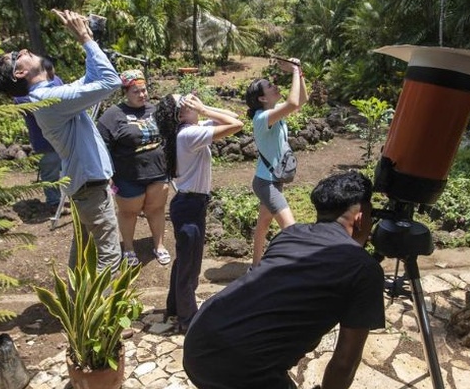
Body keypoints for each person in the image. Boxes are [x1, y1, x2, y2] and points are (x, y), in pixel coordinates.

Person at [183, 171, 385, 389]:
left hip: (199, 339)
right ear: (361, 219)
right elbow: (345, 363)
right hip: (240, 365)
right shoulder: (363, 268)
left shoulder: (290, 234)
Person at [0, 9, 122, 272]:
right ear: (19, 73)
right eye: (18, 55)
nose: (25, 50)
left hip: (85, 186)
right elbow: (111, 81)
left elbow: (92, 81)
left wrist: (87, 39)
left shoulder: (48, 95)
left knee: (84, 253)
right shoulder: (49, 100)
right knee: (109, 257)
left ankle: (74, 307)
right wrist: (84, 39)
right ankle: (99, 312)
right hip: (91, 188)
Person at [154, 93, 243, 333]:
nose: (192, 99)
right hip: (189, 205)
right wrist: (203, 110)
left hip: (189, 203)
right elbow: (237, 126)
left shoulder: (188, 129)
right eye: (186, 101)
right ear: (181, 114)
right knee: (189, 267)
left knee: (185, 261)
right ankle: (188, 319)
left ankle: (174, 307)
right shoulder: (189, 135)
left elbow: (234, 116)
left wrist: (203, 109)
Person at [97, 69, 170, 267]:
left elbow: (167, 137)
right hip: (127, 175)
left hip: (158, 172)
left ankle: (159, 245)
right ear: (125, 93)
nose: (142, 95)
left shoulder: (154, 110)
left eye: (144, 90)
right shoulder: (112, 116)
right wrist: (108, 176)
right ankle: (128, 248)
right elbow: (101, 147)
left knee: (156, 210)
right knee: (129, 213)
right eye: (136, 92)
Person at [245, 56, 308, 266]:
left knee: (263, 224)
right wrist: (293, 70)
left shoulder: (273, 113)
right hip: (267, 183)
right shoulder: (263, 118)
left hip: (272, 179)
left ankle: (255, 267)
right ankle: (303, 271)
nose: (275, 87)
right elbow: (292, 102)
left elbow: (301, 101)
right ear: (262, 99)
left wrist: (298, 72)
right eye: (270, 86)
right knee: (291, 230)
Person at [13, 58, 63, 211]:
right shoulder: (23, 91)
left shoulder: (57, 81)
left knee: (68, 170)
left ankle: (70, 199)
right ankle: (54, 202)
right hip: (44, 140)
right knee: (50, 173)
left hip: (63, 137)